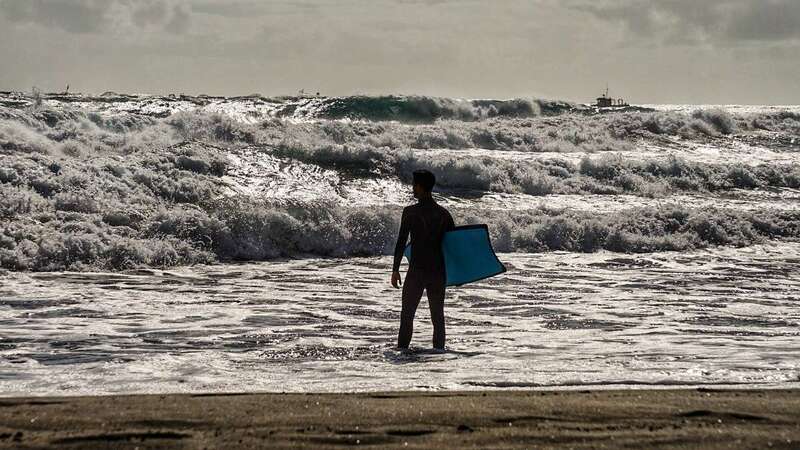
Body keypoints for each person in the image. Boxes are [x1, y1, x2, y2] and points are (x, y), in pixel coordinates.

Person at [391, 170, 455, 351]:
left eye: (414, 185)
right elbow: (453, 246)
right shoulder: (444, 214)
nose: (413, 188)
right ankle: (439, 354)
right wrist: (457, 272)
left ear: (419, 186)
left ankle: (402, 353)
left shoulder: (410, 212)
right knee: (438, 317)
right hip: (437, 272)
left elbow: (401, 242)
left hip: (417, 271)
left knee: (407, 316)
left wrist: (395, 270)